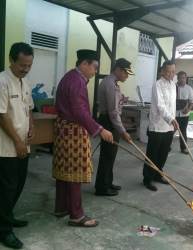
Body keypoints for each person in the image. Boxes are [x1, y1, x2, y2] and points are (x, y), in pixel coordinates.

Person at [53, 49, 113, 227]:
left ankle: (61, 207)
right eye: (94, 67)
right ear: (84, 64)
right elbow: (79, 112)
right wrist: (100, 129)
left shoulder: (70, 77)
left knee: (64, 171)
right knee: (75, 173)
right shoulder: (78, 81)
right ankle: (76, 215)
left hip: (63, 130)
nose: (95, 72)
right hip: (73, 132)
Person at [0, 42, 34, 249]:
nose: (25, 69)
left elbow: (29, 108)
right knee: (8, 187)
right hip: (6, 146)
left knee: (19, 183)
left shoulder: (25, 82)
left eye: (29, 65)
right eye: (22, 65)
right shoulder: (0, 83)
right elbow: (1, 115)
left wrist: (32, 127)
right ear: (11, 60)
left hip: (22, 144)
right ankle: (3, 230)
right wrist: (17, 142)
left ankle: (7, 215)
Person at [95, 58, 134, 196]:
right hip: (108, 121)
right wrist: (123, 131)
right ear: (118, 70)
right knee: (107, 155)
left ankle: (108, 182)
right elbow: (113, 112)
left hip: (110, 120)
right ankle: (101, 187)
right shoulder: (110, 84)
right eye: (125, 73)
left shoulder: (112, 82)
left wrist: (122, 100)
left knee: (111, 154)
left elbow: (114, 105)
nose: (127, 76)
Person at [143, 60, 179, 192]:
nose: (171, 74)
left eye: (173, 71)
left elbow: (172, 106)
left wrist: (173, 120)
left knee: (163, 153)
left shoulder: (173, 85)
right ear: (162, 71)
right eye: (168, 71)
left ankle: (158, 175)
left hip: (169, 127)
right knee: (152, 154)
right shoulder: (157, 85)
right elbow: (160, 106)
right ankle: (147, 179)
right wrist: (171, 119)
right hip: (157, 126)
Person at [175, 71, 193, 154]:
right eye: (180, 78)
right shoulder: (173, 87)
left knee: (183, 131)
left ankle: (183, 148)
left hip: (184, 114)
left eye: (184, 78)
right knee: (170, 131)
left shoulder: (189, 88)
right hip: (173, 114)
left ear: (186, 78)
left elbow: (192, 101)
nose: (182, 79)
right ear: (177, 78)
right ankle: (166, 147)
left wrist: (188, 109)